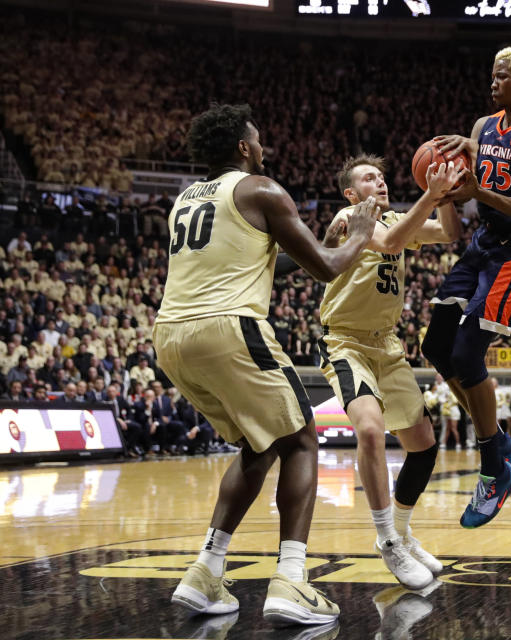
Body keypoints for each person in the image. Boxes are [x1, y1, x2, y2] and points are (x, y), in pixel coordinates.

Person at [156, 104, 378, 626]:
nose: (263, 149)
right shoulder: (260, 189)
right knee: (302, 439)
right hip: (228, 327)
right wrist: (359, 237)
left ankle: (205, 572)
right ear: (241, 147)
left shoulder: (184, 200)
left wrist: (319, 244)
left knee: (259, 443)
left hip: (171, 336)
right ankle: (291, 582)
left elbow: (262, 256)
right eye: (257, 141)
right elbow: (326, 270)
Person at [424, 43, 511, 527]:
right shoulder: (483, 127)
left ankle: (493, 470)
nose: (493, 83)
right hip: (484, 242)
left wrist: (479, 190)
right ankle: (502, 442)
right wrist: (465, 153)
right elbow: (482, 159)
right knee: (436, 344)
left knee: (467, 355)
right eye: (492, 74)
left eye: (502, 76)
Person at [315, 154, 462, 589]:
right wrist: (430, 195)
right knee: (371, 430)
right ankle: (387, 542)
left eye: (381, 175)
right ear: (351, 192)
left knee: (424, 444)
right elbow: (393, 242)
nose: (379, 181)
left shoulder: (397, 217)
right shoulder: (350, 217)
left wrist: (448, 196)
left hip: (387, 344)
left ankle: (402, 530)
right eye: (368, 177)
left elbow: (450, 233)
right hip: (345, 341)